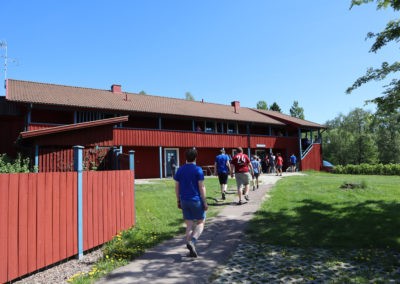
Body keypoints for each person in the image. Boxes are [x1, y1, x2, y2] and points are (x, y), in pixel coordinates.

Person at [174, 148, 208, 257]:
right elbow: (201, 186)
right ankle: (193, 242)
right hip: (196, 200)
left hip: (184, 200)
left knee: (188, 224)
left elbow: (177, 186)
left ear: (185, 157)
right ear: (195, 157)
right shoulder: (198, 170)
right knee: (201, 221)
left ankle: (190, 248)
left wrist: (178, 200)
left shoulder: (180, 169)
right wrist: (205, 201)